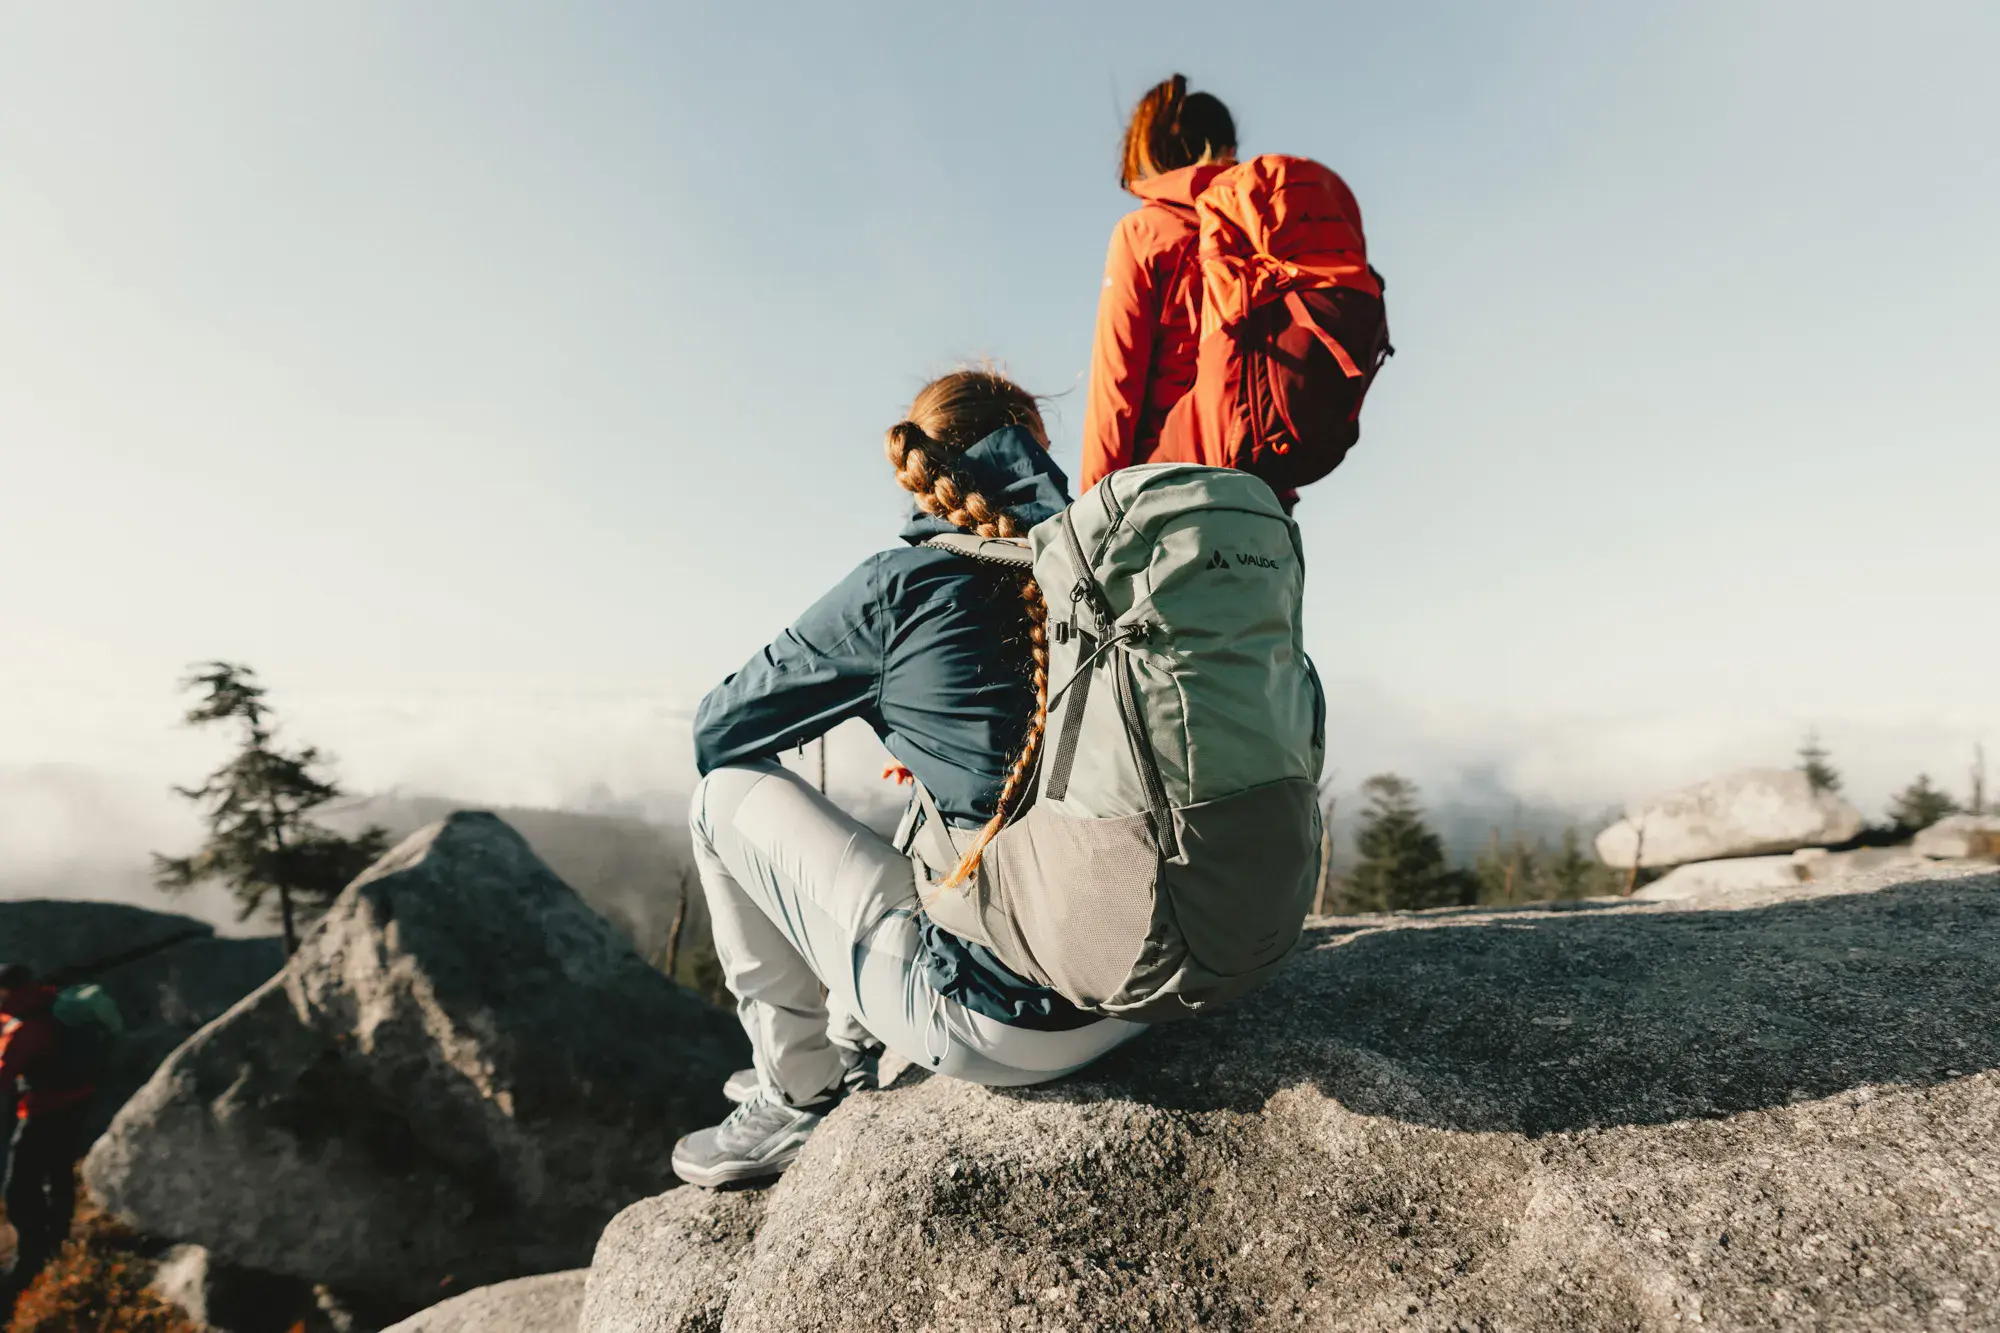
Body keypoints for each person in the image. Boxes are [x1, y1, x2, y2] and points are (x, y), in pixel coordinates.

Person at [673, 370, 1146, 1188]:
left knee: (718, 800)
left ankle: (799, 1089)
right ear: (1033, 444)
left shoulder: (903, 585)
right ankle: (854, 1040)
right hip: (1151, 977)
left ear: (919, 466)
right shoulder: (1107, 573)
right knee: (954, 805)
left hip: (1013, 1022)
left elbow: (720, 731)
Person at [1079, 74, 1236, 495]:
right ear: (1229, 152)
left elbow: (1116, 391)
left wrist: (1092, 513)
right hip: (1263, 497)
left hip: (1166, 494)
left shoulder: (1144, 234)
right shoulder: (1259, 233)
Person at [0, 965, 94, 1303]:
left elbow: (3, 1074)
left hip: (42, 1113)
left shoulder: (26, 1029)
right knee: (58, 1175)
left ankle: (29, 1262)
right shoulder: (51, 1003)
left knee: (19, 1189)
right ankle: (59, 1245)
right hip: (75, 1104)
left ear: (13, 992)